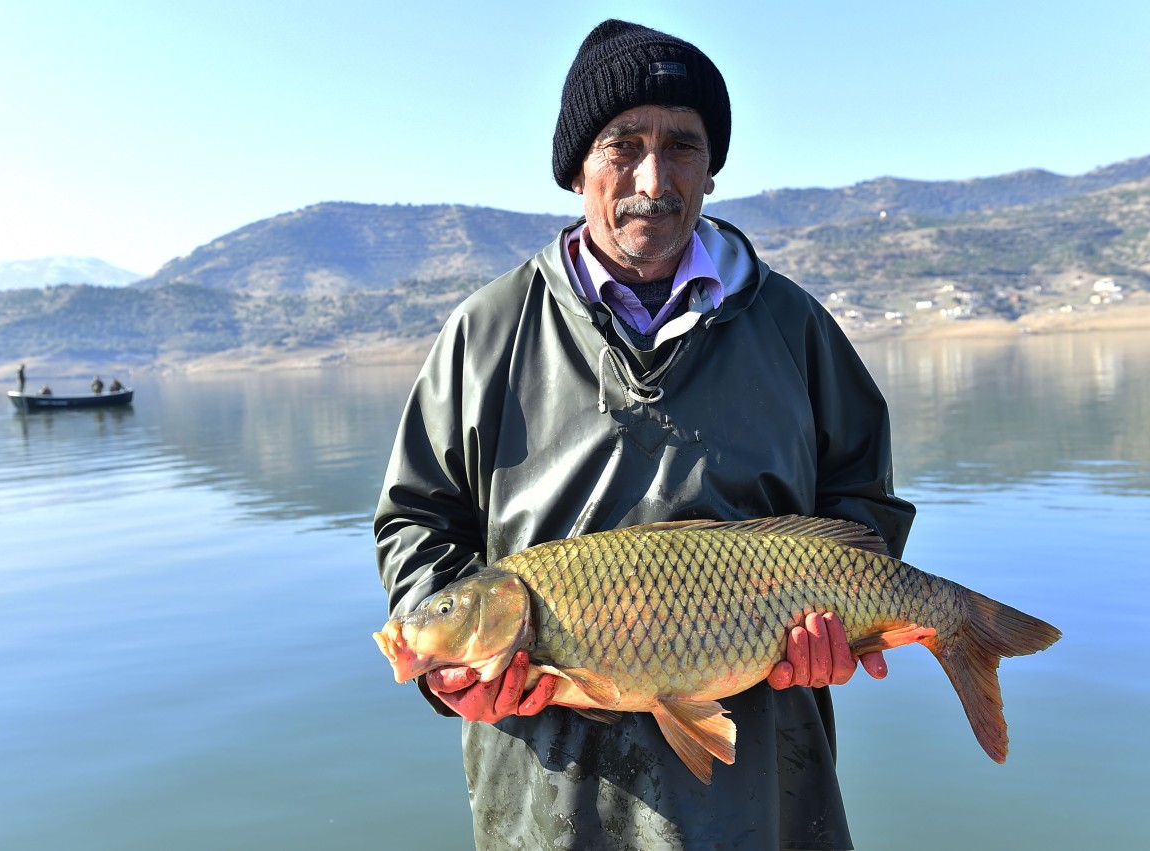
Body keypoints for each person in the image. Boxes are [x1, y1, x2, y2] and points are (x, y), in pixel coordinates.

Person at [375, 19, 915, 850]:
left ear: (711, 167)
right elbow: (417, 521)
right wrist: (449, 666)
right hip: (547, 803)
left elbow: (864, 506)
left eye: (684, 146)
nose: (653, 179)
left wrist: (841, 630)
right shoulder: (485, 334)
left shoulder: (794, 328)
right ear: (578, 166)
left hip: (767, 800)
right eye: (623, 145)